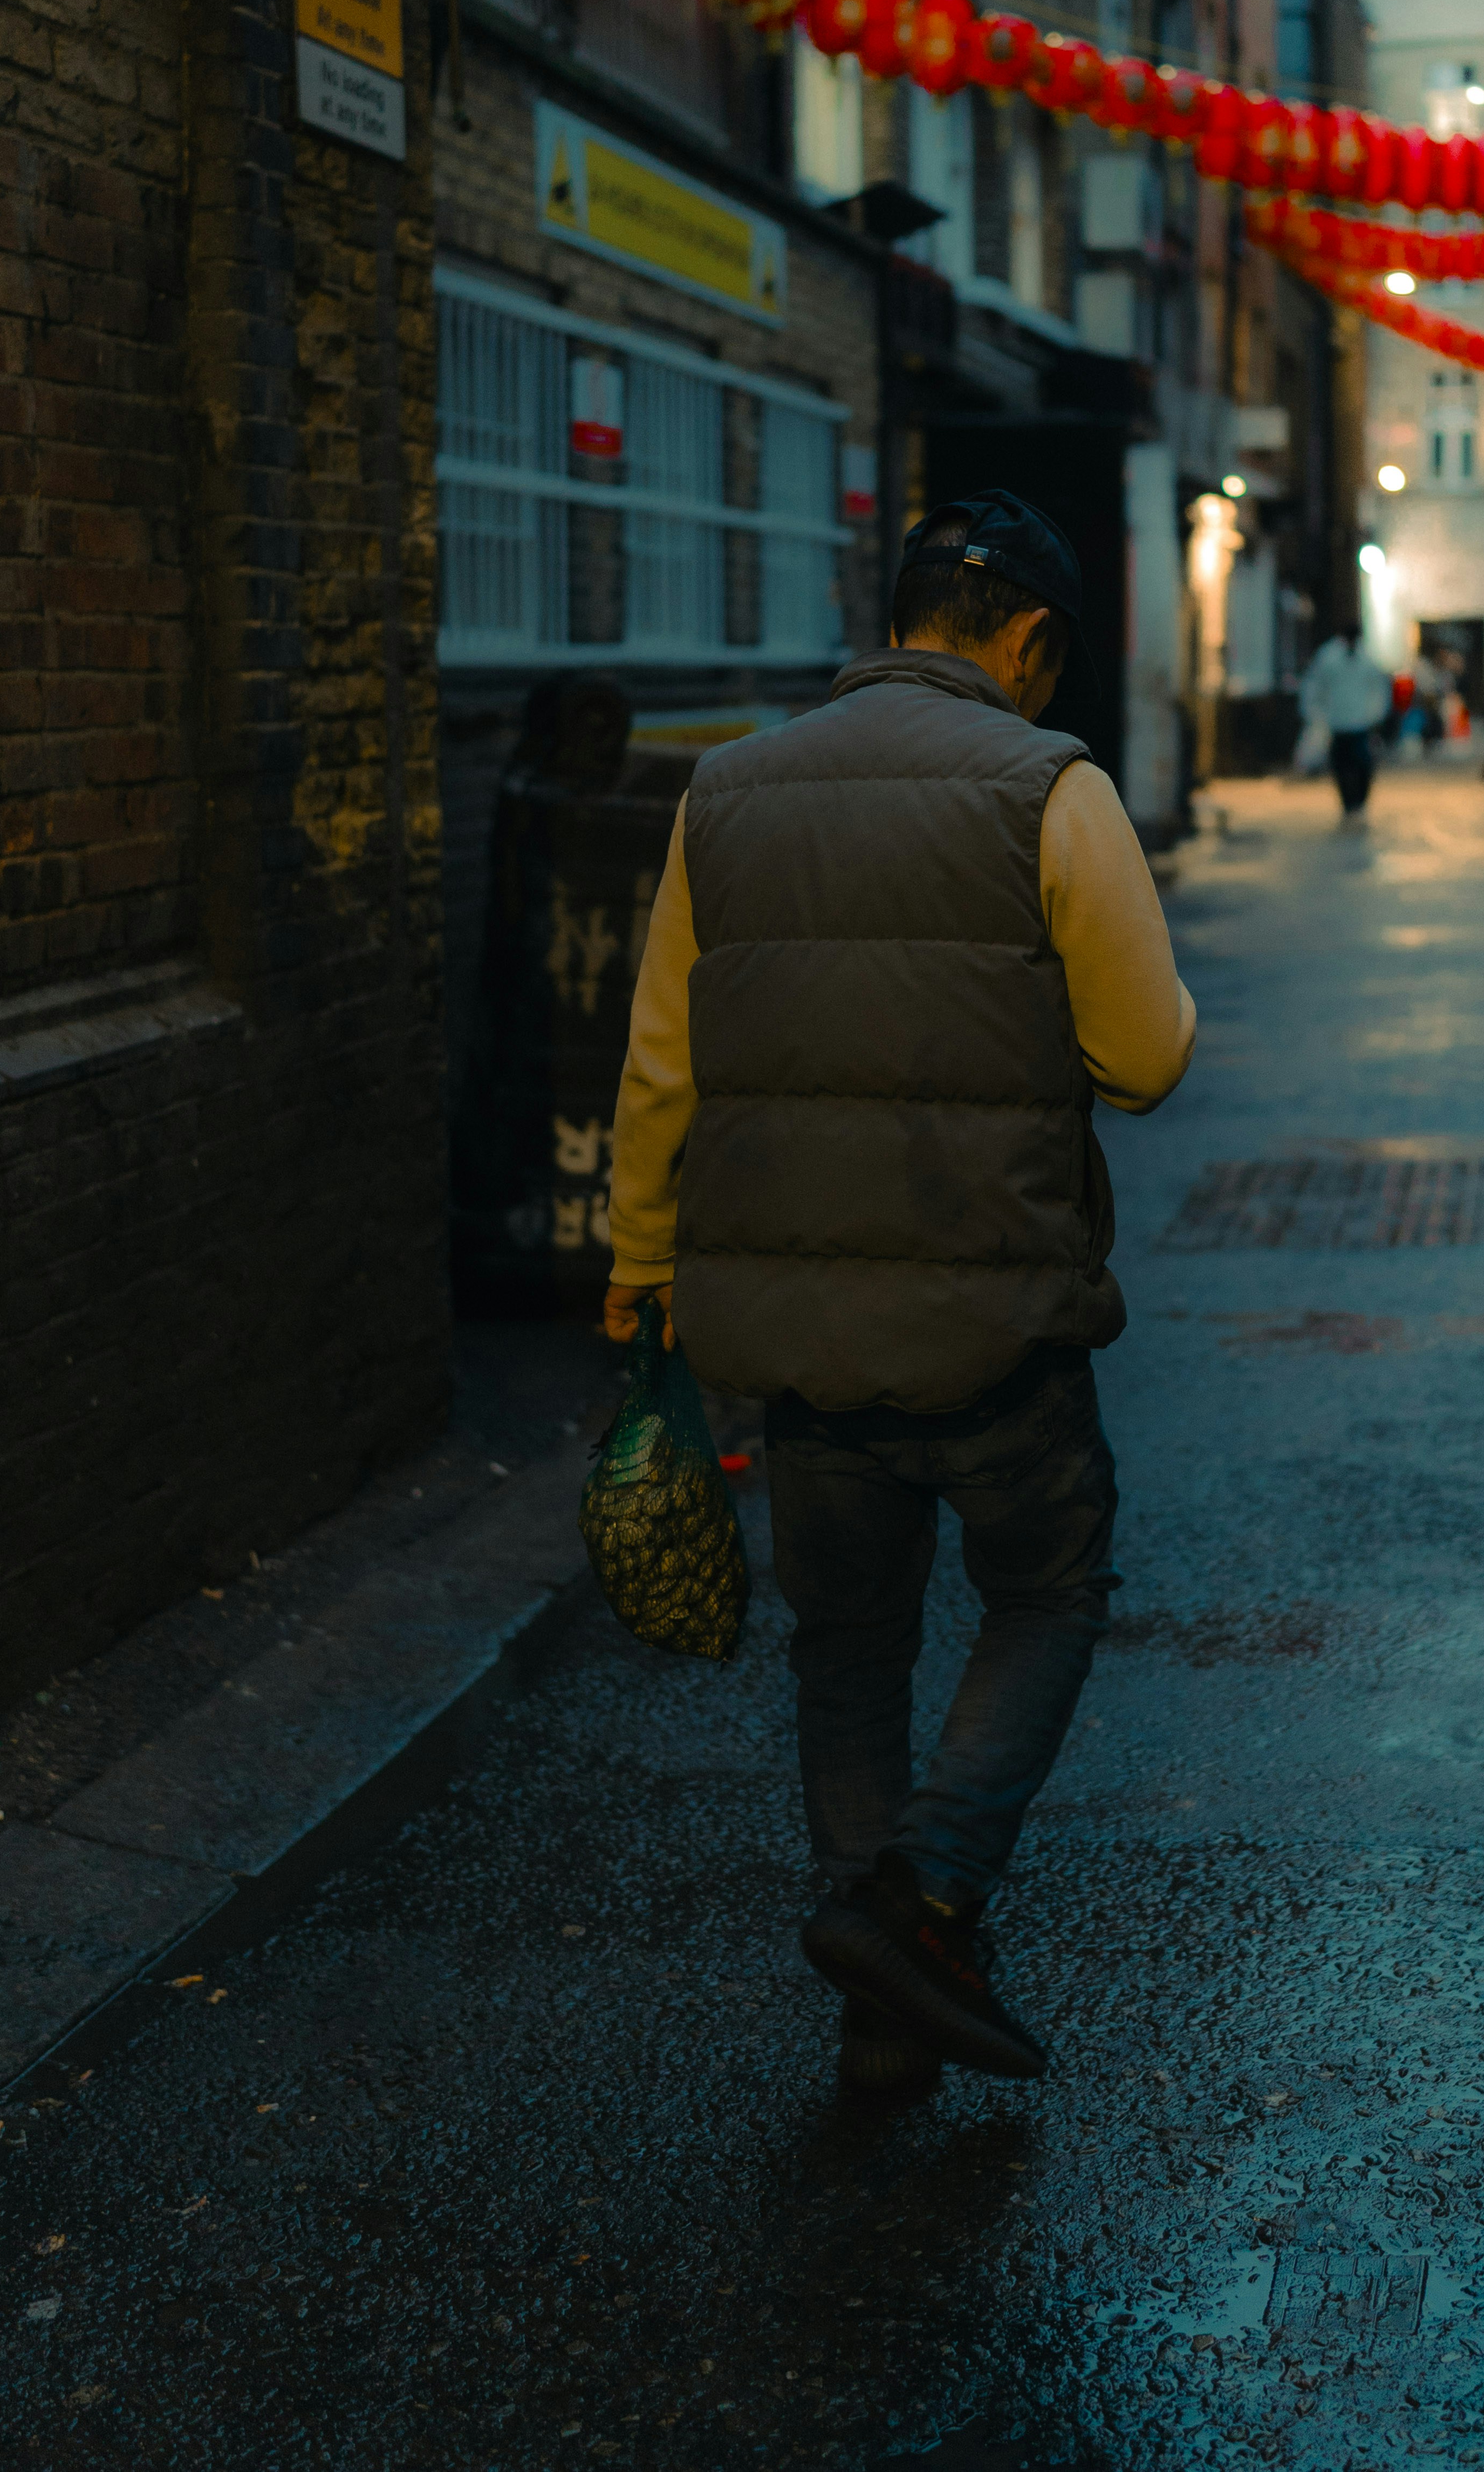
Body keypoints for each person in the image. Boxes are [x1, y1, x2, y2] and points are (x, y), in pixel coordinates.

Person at [602, 490, 1195, 2095]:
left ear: (896, 619)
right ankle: (923, 1901)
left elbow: (662, 1061)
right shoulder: (1049, 787)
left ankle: (882, 2016)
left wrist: (639, 1261)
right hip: (995, 1325)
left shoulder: (725, 793)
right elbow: (1142, 1058)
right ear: (1031, 641)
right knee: (1047, 1591)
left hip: (798, 1340)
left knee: (848, 1645)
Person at [1298, 621, 1393, 821]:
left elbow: (1379, 688)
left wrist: (1376, 715)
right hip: (1338, 723)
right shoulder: (1328, 657)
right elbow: (1315, 686)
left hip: (1361, 722)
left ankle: (1360, 802)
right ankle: (1348, 804)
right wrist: (1316, 715)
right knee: (1342, 765)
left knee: (1363, 764)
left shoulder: (1367, 657)